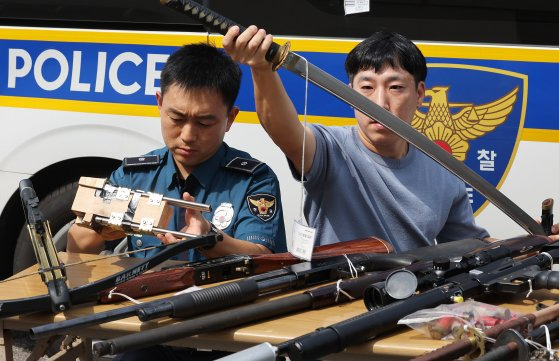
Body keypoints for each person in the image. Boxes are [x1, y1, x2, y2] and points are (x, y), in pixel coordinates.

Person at [222, 26, 494, 252]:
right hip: (336, 297)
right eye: (366, 87)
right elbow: (282, 129)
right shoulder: (329, 148)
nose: (380, 103)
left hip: (414, 300)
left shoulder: (444, 169)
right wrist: (261, 69)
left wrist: (527, 247)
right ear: (349, 92)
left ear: (420, 93)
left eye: (396, 87)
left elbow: (472, 246)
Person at [67, 42, 287, 260]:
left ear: (230, 119)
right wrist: (93, 231)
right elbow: (79, 248)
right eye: (177, 118)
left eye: (204, 123)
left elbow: (263, 257)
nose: (188, 135)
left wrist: (209, 238)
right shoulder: (133, 176)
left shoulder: (253, 180)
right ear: (160, 104)